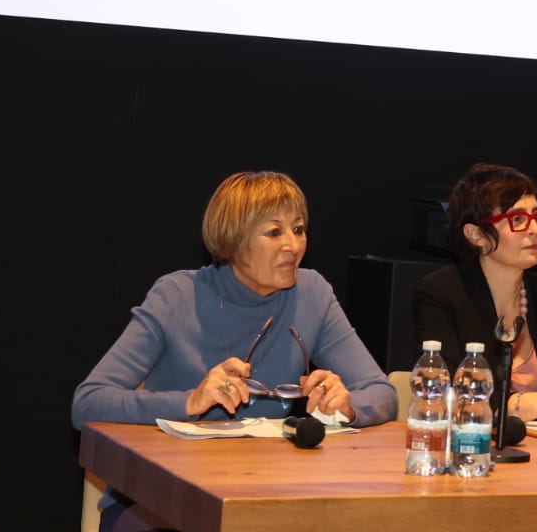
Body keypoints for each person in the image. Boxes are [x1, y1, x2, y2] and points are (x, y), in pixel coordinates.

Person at [73, 170, 396, 531]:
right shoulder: (175, 296)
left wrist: (347, 406)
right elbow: (88, 402)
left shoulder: (312, 295)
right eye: (274, 232)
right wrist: (188, 402)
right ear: (233, 240)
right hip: (159, 500)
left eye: (299, 229)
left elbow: (382, 392)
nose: (293, 245)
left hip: (264, 498)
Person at [412, 162, 537, 429]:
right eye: (517, 219)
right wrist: (529, 405)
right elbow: (446, 396)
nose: (536, 229)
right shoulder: (442, 293)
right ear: (476, 234)